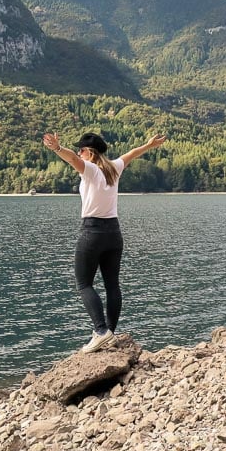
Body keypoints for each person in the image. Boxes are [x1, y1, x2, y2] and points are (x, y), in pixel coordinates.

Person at [42, 130, 167, 352]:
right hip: (114, 233)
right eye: (79, 151)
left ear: (90, 153)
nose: (79, 154)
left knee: (83, 283)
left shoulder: (90, 170)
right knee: (112, 285)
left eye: (82, 150)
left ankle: (101, 331)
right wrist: (149, 145)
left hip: (93, 232)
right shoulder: (114, 169)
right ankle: (110, 331)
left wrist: (57, 149)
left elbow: (70, 158)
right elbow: (132, 153)